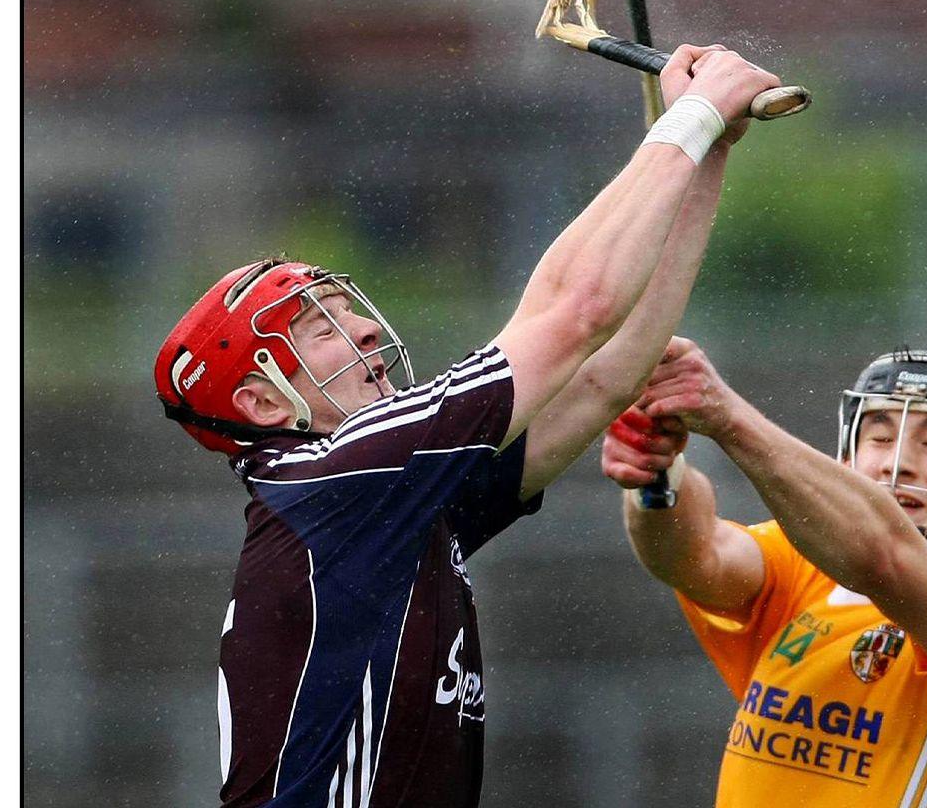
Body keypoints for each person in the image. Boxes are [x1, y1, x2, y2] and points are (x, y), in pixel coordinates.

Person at [152, 45, 780, 807]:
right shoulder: (337, 483)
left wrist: (705, 155)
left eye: (349, 310)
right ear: (264, 406)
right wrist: (694, 113)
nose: (369, 333)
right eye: (322, 330)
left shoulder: (386, 504)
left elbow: (606, 373)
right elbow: (575, 311)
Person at [601, 339, 927, 806]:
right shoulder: (802, 570)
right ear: (846, 462)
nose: (896, 462)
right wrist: (657, 467)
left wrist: (726, 416)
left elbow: (884, 556)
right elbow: (693, 553)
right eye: (880, 438)